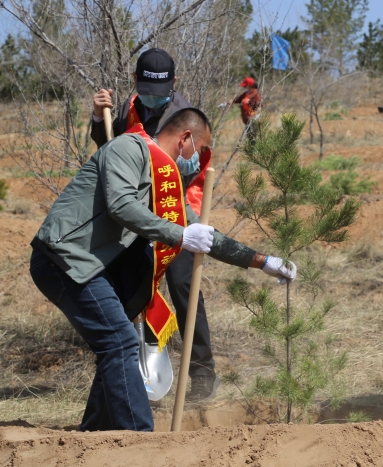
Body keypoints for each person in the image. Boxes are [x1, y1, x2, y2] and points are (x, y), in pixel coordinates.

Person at [29, 108, 297, 431]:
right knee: (121, 342)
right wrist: (180, 234)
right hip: (61, 257)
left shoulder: (166, 183)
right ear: (185, 139)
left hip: (86, 267)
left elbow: (207, 237)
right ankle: (141, 440)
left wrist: (263, 262)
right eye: (200, 150)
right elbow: (121, 205)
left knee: (115, 345)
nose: (199, 161)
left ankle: (92, 437)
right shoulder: (128, 149)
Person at [92, 48, 219, 401]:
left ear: (173, 84)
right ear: (136, 81)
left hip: (175, 211)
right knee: (129, 289)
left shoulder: (184, 116)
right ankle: (129, 378)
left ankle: (203, 372)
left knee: (183, 286)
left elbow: (196, 163)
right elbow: (111, 150)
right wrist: (96, 114)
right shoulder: (128, 108)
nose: (154, 96)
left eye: (161, 90)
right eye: (147, 88)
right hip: (134, 213)